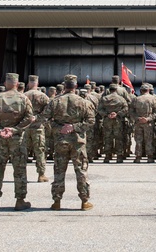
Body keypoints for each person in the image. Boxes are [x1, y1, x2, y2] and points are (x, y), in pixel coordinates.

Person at [41, 75, 96, 211]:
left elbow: (44, 118)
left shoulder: (55, 102)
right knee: (81, 171)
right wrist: (75, 127)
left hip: (61, 141)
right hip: (78, 142)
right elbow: (90, 121)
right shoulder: (84, 102)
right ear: (76, 86)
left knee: (59, 171)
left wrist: (59, 128)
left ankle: (57, 201)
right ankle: (84, 201)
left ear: (65, 86)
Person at [0, 73, 35, 211]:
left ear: (6, 83)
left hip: (0, 138)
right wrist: (14, 129)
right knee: (19, 170)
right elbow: (30, 118)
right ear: (17, 84)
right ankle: (20, 200)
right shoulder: (23, 98)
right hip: (17, 139)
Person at [24, 75, 50, 181]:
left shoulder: (23, 96)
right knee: (39, 151)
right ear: (37, 84)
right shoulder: (43, 96)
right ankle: (41, 174)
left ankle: (21, 174)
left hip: (25, 127)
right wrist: (38, 118)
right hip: (38, 127)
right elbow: (49, 111)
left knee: (22, 151)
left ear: (29, 83)